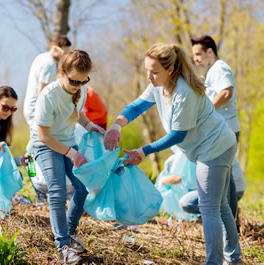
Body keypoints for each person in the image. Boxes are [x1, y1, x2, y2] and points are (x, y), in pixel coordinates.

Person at [104, 43, 242, 265]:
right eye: (147, 70)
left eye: (155, 71)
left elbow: (178, 135)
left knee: (209, 207)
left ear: (170, 70)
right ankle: (234, 259)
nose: (149, 77)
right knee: (220, 205)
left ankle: (215, 262)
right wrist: (117, 126)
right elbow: (136, 106)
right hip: (215, 145)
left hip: (215, 147)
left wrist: (143, 151)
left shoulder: (183, 92)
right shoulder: (159, 84)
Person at [30, 50, 105, 264]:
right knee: (57, 191)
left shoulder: (78, 90)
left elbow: (77, 111)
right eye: (74, 81)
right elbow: (44, 136)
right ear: (62, 72)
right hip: (46, 145)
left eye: (84, 81)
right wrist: (72, 153)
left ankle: (70, 233)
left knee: (83, 188)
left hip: (69, 141)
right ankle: (62, 245)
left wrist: (91, 126)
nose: (78, 85)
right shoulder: (48, 96)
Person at [192, 35, 241, 220]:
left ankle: (231, 221)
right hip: (223, 131)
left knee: (223, 177)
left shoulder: (220, 68)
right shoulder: (213, 70)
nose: (196, 59)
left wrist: (207, 111)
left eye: (198, 54)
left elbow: (226, 92)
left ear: (209, 51)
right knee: (226, 177)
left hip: (227, 129)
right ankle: (233, 220)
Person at [23, 35, 71, 127]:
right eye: (64, 53)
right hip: (36, 110)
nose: (64, 57)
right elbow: (42, 93)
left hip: (29, 108)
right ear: (56, 49)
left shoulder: (41, 57)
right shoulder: (50, 64)